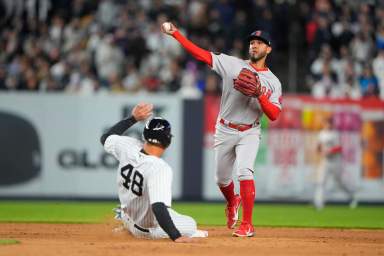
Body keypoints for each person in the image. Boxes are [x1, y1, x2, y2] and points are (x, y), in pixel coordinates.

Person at [162, 23, 282, 237]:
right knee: (221, 179)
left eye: (259, 43)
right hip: (225, 128)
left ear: (268, 49)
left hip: (249, 131)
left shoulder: (273, 82)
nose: (254, 46)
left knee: (245, 171)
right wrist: (176, 34)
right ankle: (232, 200)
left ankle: (248, 224)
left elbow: (274, 115)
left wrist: (260, 95)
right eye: (252, 43)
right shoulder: (232, 64)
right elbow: (200, 55)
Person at [100, 102, 208, 242]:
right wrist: (176, 236)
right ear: (167, 141)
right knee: (191, 224)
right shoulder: (160, 168)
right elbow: (158, 207)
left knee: (167, 212)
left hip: (128, 216)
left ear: (144, 135)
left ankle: (124, 221)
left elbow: (106, 137)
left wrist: (133, 118)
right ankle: (171, 232)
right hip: (145, 230)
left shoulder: (127, 146)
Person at [314, 117, 358, 210]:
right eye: (326, 123)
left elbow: (339, 148)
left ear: (331, 124)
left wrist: (328, 151)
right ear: (324, 124)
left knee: (339, 182)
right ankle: (319, 203)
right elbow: (318, 146)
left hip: (335, 161)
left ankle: (352, 196)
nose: (327, 125)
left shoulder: (335, 134)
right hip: (326, 161)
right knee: (321, 182)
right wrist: (318, 151)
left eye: (329, 123)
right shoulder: (321, 134)